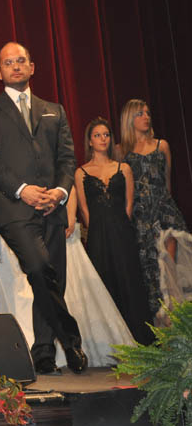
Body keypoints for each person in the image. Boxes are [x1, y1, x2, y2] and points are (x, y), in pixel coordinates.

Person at [0, 41, 86, 375]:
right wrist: (23, 190)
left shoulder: (55, 109)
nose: (16, 66)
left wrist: (61, 192)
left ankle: (44, 352)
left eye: (21, 60)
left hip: (53, 207)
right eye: (8, 62)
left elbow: (67, 159)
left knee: (52, 281)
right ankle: (72, 340)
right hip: (14, 208)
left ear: (32, 66)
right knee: (38, 269)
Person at [0, 187, 137, 367]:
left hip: (50, 217)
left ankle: (48, 348)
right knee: (37, 283)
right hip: (15, 223)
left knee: (51, 284)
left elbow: (65, 176)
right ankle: (49, 347)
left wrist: (69, 212)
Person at [73, 118, 154, 344]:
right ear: (89, 141)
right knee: (104, 283)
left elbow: (129, 205)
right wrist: (98, 231)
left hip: (123, 232)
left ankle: (139, 337)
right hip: (98, 236)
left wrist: (120, 228)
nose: (102, 139)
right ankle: (111, 342)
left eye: (106, 135)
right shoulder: (80, 173)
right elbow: (84, 210)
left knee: (130, 280)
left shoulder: (123, 168)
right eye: (97, 135)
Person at [117, 100, 192, 320]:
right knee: (150, 271)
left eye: (148, 113)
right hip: (140, 218)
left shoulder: (163, 145)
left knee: (169, 267)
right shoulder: (122, 151)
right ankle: (163, 331)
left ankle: (181, 321)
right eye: (140, 113)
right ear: (129, 118)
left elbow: (167, 183)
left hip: (165, 213)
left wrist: (166, 207)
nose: (146, 117)